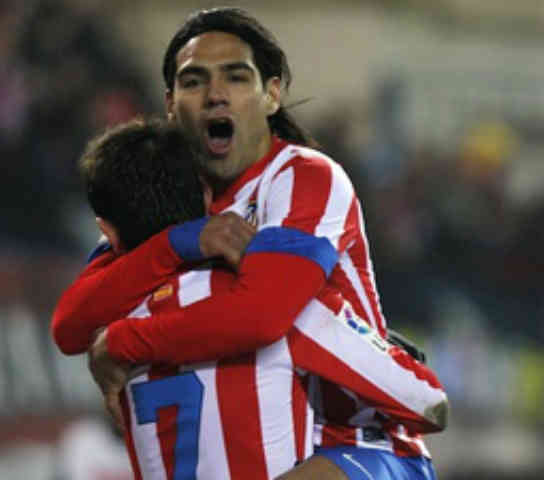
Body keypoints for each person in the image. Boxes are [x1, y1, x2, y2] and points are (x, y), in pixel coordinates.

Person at [52, 116, 446, 480]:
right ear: (209, 195)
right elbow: (428, 403)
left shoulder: (109, 320)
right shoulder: (281, 306)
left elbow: (67, 324)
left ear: (107, 231)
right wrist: (363, 333)